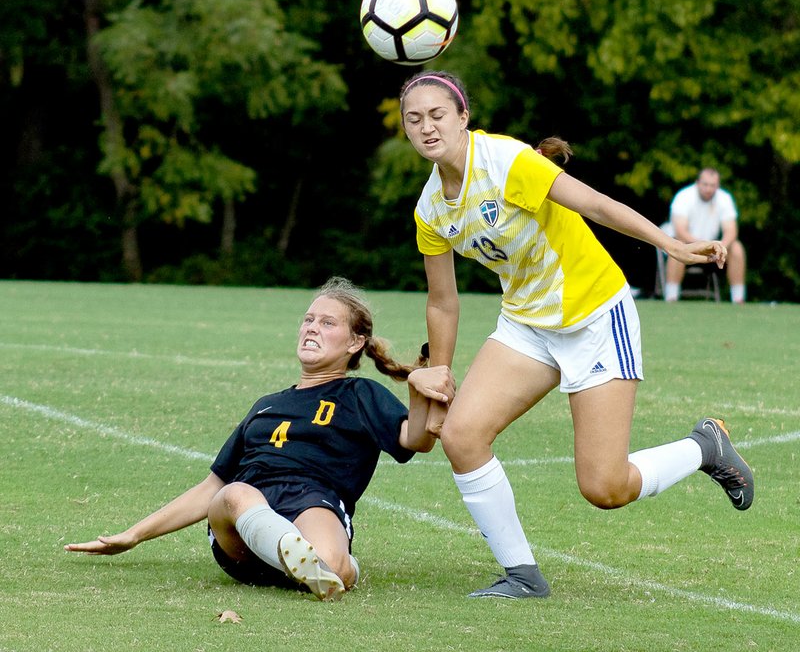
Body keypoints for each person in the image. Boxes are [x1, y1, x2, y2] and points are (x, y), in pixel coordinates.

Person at [398, 70, 754, 600]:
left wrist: (670, 246)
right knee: (462, 436)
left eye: (437, 114)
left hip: (594, 316)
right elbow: (442, 301)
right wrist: (442, 372)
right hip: (526, 323)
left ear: (463, 116)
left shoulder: (505, 161)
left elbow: (594, 204)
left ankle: (705, 446)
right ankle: (522, 575)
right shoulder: (430, 207)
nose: (427, 127)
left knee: (604, 488)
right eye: (414, 118)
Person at [65, 277, 455, 601]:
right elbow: (211, 488)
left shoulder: (360, 395)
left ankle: (318, 562)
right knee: (234, 494)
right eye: (308, 320)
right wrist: (133, 535)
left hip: (313, 499)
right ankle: (291, 552)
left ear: (355, 342)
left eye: (327, 323)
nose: (312, 328)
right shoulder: (267, 406)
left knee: (333, 568)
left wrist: (418, 389)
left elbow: (416, 440)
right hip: (244, 520)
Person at [664, 167, 747, 303]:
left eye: (712, 185)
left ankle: (738, 299)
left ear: (717, 185)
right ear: (698, 183)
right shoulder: (684, 196)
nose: (709, 189)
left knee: (736, 248)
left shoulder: (724, 198)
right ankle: (671, 298)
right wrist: (701, 246)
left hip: (712, 249)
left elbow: (731, 230)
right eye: (705, 184)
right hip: (686, 245)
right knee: (678, 245)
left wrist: (721, 247)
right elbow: (680, 230)